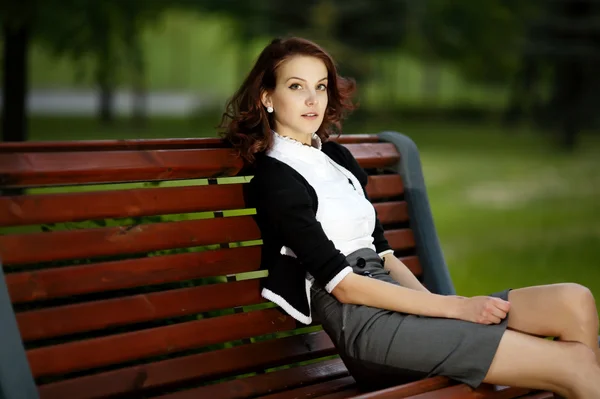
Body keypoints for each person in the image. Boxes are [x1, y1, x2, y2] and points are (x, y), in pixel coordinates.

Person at [220, 37, 600, 398]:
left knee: (573, 301)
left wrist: (442, 310)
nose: (312, 99)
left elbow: (383, 255)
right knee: (576, 364)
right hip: (366, 328)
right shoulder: (275, 176)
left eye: (320, 87)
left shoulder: (337, 160)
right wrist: (456, 308)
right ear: (267, 97)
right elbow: (344, 286)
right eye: (296, 87)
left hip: (399, 307)